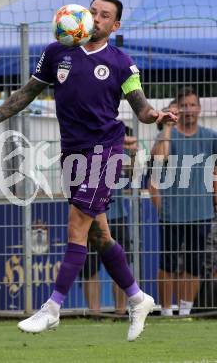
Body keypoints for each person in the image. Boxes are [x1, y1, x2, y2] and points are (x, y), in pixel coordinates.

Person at [0, 0, 177, 341]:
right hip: (72, 153)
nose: (97, 18)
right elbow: (26, 93)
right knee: (100, 235)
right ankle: (138, 298)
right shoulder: (57, 51)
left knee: (76, 226)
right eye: (93, 12)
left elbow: (141, 108)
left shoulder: (121, 62)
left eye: (105, 16)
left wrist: (156, 115)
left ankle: (52, 308)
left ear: (115, 25)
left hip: (105, 152)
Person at [150, 86, 217, 316]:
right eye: (183, 106)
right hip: (172, 214)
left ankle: (185, 311)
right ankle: (165, 311)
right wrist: (168, 127)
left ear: (200, 109)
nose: (188, 110)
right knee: (168, 266)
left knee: (193, 265)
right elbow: (160, 157)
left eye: (192, 105)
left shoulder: (210, 136)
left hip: (201, 213)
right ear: (177, 109)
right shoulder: (167, 135)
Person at [82, 132, 137, 315]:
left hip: (118, 216)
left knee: (120, 265)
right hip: (90, 216)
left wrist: (134, 153)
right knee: (90, 269)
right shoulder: (83, 143)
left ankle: (121, 312)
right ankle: (94, 313)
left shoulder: (120, 145)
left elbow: (133, 174)